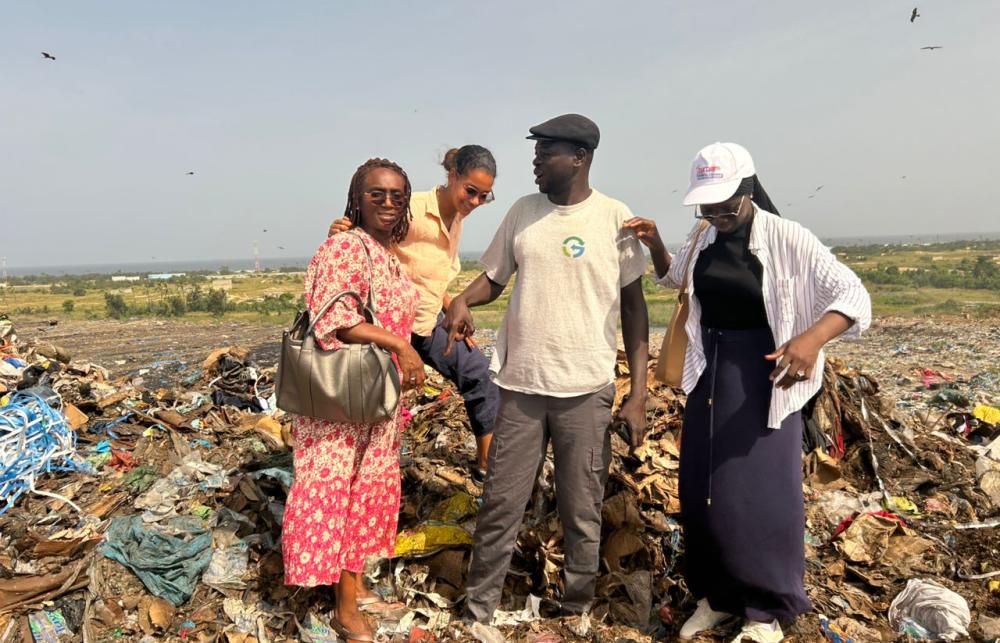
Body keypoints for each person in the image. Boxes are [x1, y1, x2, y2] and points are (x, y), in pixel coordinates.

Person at [625, 142, 871, 643]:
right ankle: (717, 597)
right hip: (710, 372)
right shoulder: (703, 235)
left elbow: (854, 297)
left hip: (765, 375)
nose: (716, 216)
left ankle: (764, 610)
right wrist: (654, 244)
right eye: (707, 207)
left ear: (749, 190)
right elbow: (676, 276)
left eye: (725, 206)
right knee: (704, 490)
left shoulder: (787, 237)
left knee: (759, 495)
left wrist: (810, 339)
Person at [445, 114, 650, 622]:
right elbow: (493, 279)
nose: (535, 161)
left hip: (586, 388)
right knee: (500, 504)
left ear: (579, 158)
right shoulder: (523, 212)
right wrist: (463, 300)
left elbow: (635, 308)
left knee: (581, 509)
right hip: (521, 388)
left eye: (546, 152)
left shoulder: (613, 218)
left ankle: (576, 607)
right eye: (535, 152)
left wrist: (639, 392)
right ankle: (479, 609)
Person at [283, 158, 426, 643]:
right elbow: (337, 321)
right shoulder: (346, 246)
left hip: (374, 401)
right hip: (342, 408)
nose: (388, 202)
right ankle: (346, 610)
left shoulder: (384, 252)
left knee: (368, 494)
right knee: (344, 495)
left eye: (397, 196)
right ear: (356, 198)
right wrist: (401, 346)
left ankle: (357, 585)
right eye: (377, 194)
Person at [329, 145, 500, 478]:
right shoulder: (414, 209)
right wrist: (345, 231)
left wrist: (453, 308)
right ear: (453, 177)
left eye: (484, 196)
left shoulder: (457, 218)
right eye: (471, 191)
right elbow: (368, 238)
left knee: (480, 373)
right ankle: (356, 474)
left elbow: (425, 274)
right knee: (379, 405)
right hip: (389, 325)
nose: (476, 202)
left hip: (427, 321)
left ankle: (486, 466)